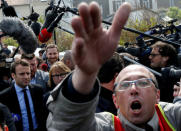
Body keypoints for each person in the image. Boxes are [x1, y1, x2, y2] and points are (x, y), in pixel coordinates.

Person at [46, 2, 181, 130]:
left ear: (157, 95)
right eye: (125, 85)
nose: (134, 89)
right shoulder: (106, 126)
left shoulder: (173, 117)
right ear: (115, 100)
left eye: (143, 82)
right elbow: (63, 125)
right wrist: (83, 78)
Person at [0, 59, 47, 131]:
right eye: (22, 74)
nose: (26, 77)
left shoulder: (38, 90)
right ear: (13, 75)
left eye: (28, 73)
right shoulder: (4, 96)